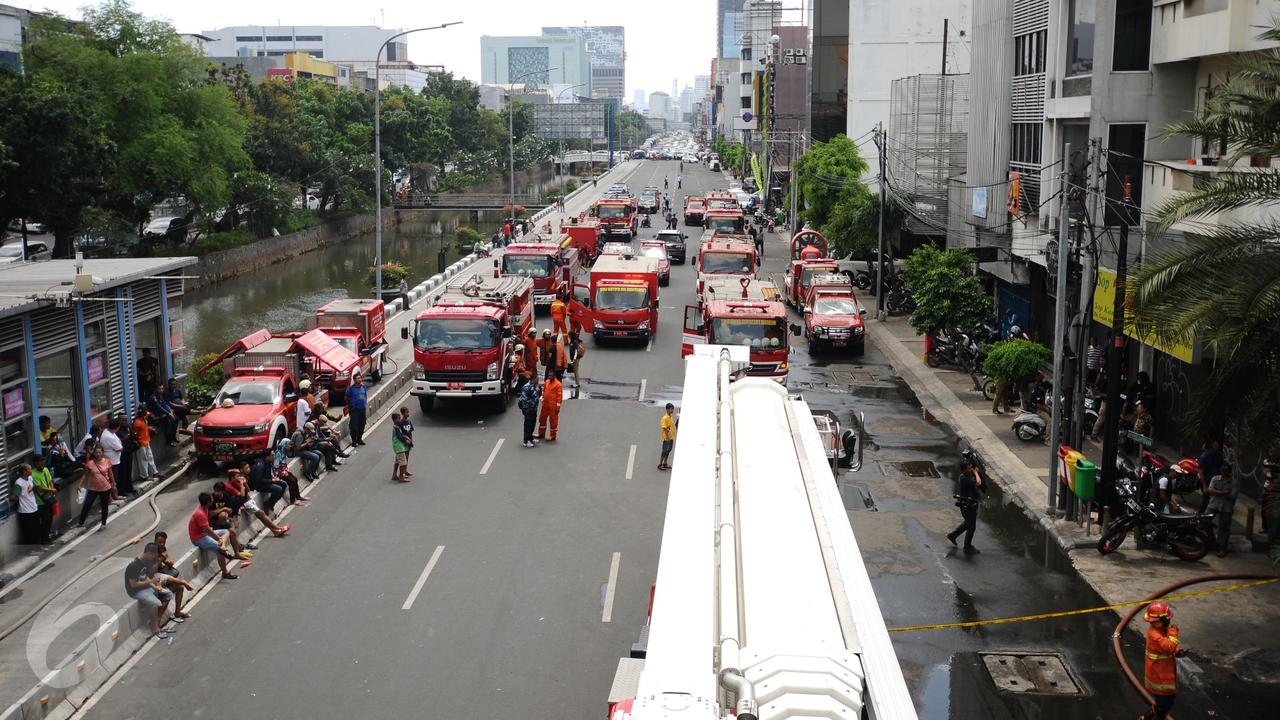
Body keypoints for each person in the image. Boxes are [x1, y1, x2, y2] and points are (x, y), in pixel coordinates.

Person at [1141, 602, 1184, 720]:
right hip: (1159, 679)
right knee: (1163, 705)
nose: (1152, 623)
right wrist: (1173, 631)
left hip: (1163, 676)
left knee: (1167, 703)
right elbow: (1169, 646)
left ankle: (1156, 716)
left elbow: (1165, 648)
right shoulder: (1155, 634)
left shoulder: (1161, 630)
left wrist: (1177, 651)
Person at [124, 543, 174, 638]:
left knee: (168, 594)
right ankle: (154, 627)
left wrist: (155, 586)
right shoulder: (133, 565)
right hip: (135, 591)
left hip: (145, 586)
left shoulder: (145, 562)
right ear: (149, 553)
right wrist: (151, 582)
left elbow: (145, 577)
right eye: (154, 555)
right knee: (155, 603)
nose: (154, 558)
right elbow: (133, 585)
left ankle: (156, 621)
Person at [188, 492, 241, 580]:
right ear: (208, 502)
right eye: (211, 499)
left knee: (227, 531)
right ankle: (225, 573)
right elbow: (208, 530)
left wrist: (223, 509)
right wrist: (218, 538)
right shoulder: (200, 514)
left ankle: (225, 547)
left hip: (204, 533)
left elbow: (210, 517)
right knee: (219, 550)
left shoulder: (204, 508)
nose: (213, 499)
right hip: (198, 538)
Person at [152, 531, 192, 623]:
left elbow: (165, 561)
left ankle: (177, 612)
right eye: (160, 542)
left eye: (164, 542)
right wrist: (162, 559)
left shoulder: (162, 548)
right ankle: (157, 620)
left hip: (161, 575)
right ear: (155, 541)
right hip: (153, 577)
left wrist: (169, 562)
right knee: (168, 593)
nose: (162, 544)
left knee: (180, 587)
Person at [945, 459, 983, 554]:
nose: (971, 470)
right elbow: (978, 483)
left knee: (968, 523)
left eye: (971, 468)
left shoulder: (965, 476)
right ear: (963, 470)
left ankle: (952, 535)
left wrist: (973, 472)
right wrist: (976, 473)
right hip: (968, 506)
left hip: (970, 504)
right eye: (969, 468)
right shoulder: (965, 479)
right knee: (971, 527)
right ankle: (967, 547)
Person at [77, 445, 114, 530]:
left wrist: (113, 482)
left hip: (105, 487)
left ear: (102, 453)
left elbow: (110, 473)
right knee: (87, 505)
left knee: (104, 506)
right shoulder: (90, 463)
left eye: (99, 452)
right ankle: (81, 522)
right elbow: (85, 475)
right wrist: (79, 485)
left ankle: (103, 523)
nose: (98, 454)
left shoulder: (107, 461)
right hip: (93, 488)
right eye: (96, 452)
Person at [1206, 463, 1238, 557]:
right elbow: (1210, 490)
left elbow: (1232, 496)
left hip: (1226, 507)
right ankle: (1212, 541)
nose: (1224, 473)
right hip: (1213, 504)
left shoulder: (1233, 482)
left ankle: (1222, 548)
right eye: (1223, 471)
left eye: (1226, 472)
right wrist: (1223, 493)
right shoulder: (1215, 479)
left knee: (1224, 528)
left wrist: (1217, 492)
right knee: (1205, 521)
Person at [11, 464, 42, 546]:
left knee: (37, 529)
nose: (31, 470)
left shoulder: (30, 478)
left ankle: (37, 547)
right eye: (30, 469)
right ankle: (30, 549)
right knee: (28, 532)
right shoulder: (19, 483)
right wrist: (13, 497)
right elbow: (15, 496)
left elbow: (33, 488)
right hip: (25, 511)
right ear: (25, 472)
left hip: (34, 508)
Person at [31, 455, 56, 542]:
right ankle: (43, 539)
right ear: (35, 463)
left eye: (43, 461)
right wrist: (51, 490)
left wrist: (52, 489)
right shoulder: (33, 474)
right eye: (40, 461)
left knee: (50, 519)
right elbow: (39, 488)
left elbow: (50, 480)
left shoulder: (45, 470)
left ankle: (47, 537)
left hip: (49, 498)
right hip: (41, 501)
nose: (42, 463)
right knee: (45, 521)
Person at [1196, 438, 1224, 515]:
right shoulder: (1204, 457)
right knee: (1206, 501)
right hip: (1207, 482)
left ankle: (1207, 517)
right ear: (1211, 446)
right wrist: (1204, 486)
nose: (1217, 445)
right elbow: (1201, 472)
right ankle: (1200, 516)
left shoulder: (1219, 455)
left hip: (1217, 482)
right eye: (1215, 444)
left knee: (1215, 502)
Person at [98, 419, 125, 499]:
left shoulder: (108, 432)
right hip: (112, 461)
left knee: (112, 479)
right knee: (112, 479)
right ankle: (113, 497)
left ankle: (114, 496)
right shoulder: (109, 436)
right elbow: (120, 448)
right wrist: (119, 445)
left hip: (112, 459)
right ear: (116, 427)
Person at [133, 406, 160, 480]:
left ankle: (154, 472)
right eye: (144, 414)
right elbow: (135, 434)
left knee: (150, 457)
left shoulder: (144, 417)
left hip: (147, 441)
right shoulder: (137, 423)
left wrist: (149, 428)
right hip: (141, 443)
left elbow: (145, 425)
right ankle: (144, 476)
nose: (146, 415)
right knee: (143, 459)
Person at [537, 370, 564, 442]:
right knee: (542, 419)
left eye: (550, 375)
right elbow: (544, 392)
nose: (549, 376)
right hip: (545, 405)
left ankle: (553, 436)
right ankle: (541, 433)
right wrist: (543, 400)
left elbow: (559, 397)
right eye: (549, 375)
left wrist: (558, 407)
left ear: (554, 375)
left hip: (553, 407)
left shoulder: (558, 385)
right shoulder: (547, 382)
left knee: (553, 422)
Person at [344, 373, 368, 446]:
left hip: (362, 409)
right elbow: (346, 398)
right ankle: (354, 441)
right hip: (354, 410)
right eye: (358, 378)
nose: (360, 379)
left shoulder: (363, 387)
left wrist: (365, 403)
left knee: (362, 424)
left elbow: (365, 395)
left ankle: (359, 439)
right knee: (354, 426)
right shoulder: (350, 389)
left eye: (360, 378)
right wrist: (351, 404)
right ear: (354, 380)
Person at [519, 376, 542, 447]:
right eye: (537, 379)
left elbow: (537, 396)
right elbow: (524, 398)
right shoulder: (526, 387)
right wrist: (531, 404)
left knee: (532, 424)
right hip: (528, 409)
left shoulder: (536, 386)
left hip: (534, 409)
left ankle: (530, 438)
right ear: (533, 379)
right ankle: (526, 441)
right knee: (528, 425)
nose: (538, 381)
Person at [391, 410, 411, 483]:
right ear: (394, 420)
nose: (400, 420)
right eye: (398, 419)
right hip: (399, 447)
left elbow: (401, 435)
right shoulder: (396, 428)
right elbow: (400, 437)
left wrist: (406, 437)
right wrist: (406, 441)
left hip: (398, 447)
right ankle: (401, 476)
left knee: (397, 461)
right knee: (403, 463)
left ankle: (394, 475)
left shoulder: (396, 427)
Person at [397, 407, 415, 477]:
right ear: (403, 413)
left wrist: (411, 441)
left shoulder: (409, 422)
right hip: (403, 442)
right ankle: (402, 473)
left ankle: (405, 470)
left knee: (407, 456)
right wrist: (405, 440)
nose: (408, 414)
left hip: (408, 442)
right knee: (403, 458)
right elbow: (400, 433)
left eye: (408, 412)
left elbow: (410, 432)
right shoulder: (400, 423)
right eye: (406, 412)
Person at [658, 403, 677, 471]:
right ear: (667, 409)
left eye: (672, 409)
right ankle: (660, 464)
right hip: (667, 438)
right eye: (671, 409)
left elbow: (671, 426)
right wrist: (668, 438)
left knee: (669, 450)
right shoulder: (665, 418)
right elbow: (665, 429)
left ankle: (665, 463)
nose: (672, 410)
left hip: (671, 437)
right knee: (664, 451)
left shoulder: (670, 417)